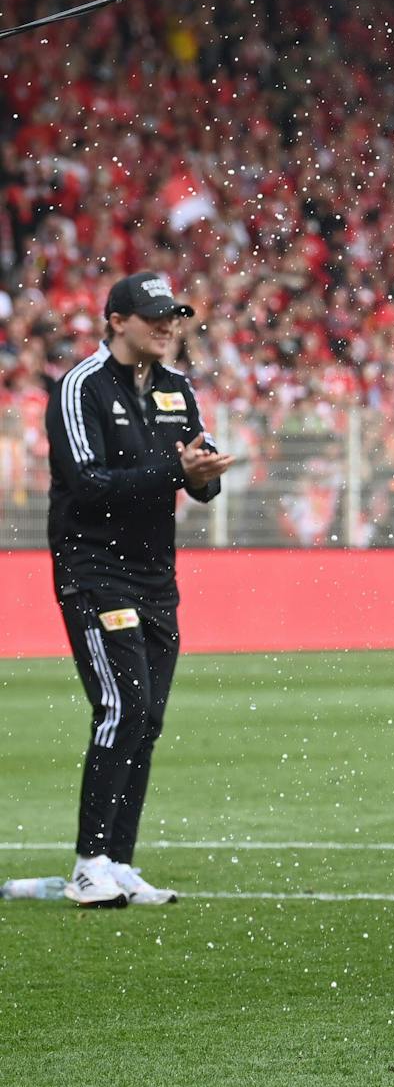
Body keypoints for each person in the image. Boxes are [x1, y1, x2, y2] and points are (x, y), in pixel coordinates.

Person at [46, 272, 233, 907]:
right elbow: (88, 482)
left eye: (174, 316)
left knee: (147, 719)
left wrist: (204, 476)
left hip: (156, 575)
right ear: (116, 320)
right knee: (122, 708)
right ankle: (88, 862)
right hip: (94, 570)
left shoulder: (178, 389)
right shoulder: (80, 388)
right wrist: (172, 471)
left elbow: (197, 483)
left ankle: (119, 862)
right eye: (154, 315)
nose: (167, 326)